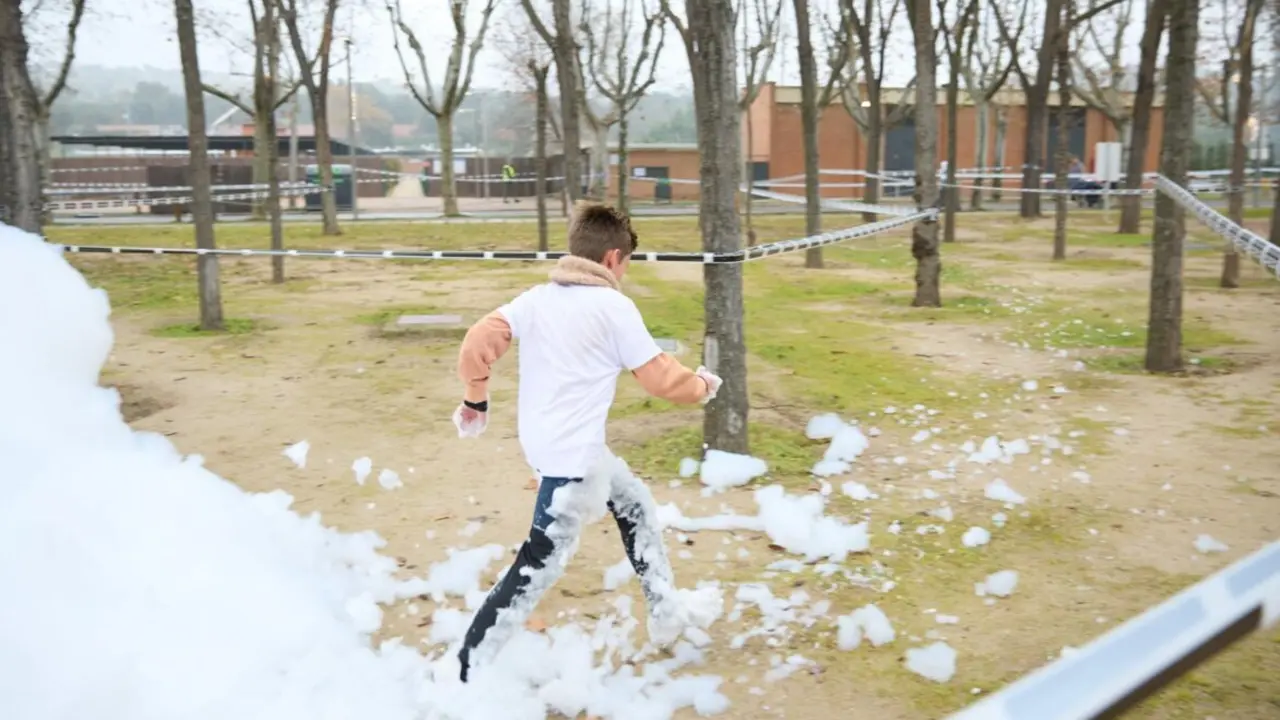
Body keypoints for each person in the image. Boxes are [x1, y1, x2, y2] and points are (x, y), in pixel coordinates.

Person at [451, 203, 723, 683]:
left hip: (564, 451)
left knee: (635, 506)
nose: (628, 274)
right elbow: (661, 378)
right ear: (614, 258)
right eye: (628, 264)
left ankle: (665, 614)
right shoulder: (613, 307)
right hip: (570, 466)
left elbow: (477, 339)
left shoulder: (535, 299)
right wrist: (702, 385)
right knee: (535, 569)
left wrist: (477, 400)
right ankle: (466, 671)